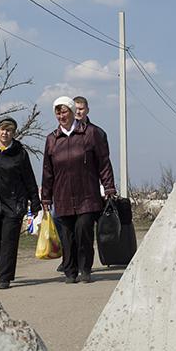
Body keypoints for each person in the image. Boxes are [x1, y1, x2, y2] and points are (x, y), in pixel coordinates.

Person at [41, 96, 117, 284]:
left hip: (87, 194)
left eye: (64, 111)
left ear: (73, 111)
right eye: (57, 112)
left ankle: (85, 268)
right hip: (63, 195)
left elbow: (104, 162)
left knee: (83, 230)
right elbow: (47, 170)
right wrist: (46, 197)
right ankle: (70, 270)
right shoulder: (52, 139)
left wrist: (108, 186)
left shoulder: (90, 133)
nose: (61, 116)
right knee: (67, 235)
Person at [0, 117, 41, 289]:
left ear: (13, 133)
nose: (5, 133)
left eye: (9, 130)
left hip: (14, 204)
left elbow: (29, 179)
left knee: (9, 242)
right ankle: (4, 267)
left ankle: (4, 277)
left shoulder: (20, 153)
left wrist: (35, 202)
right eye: (3, 129)